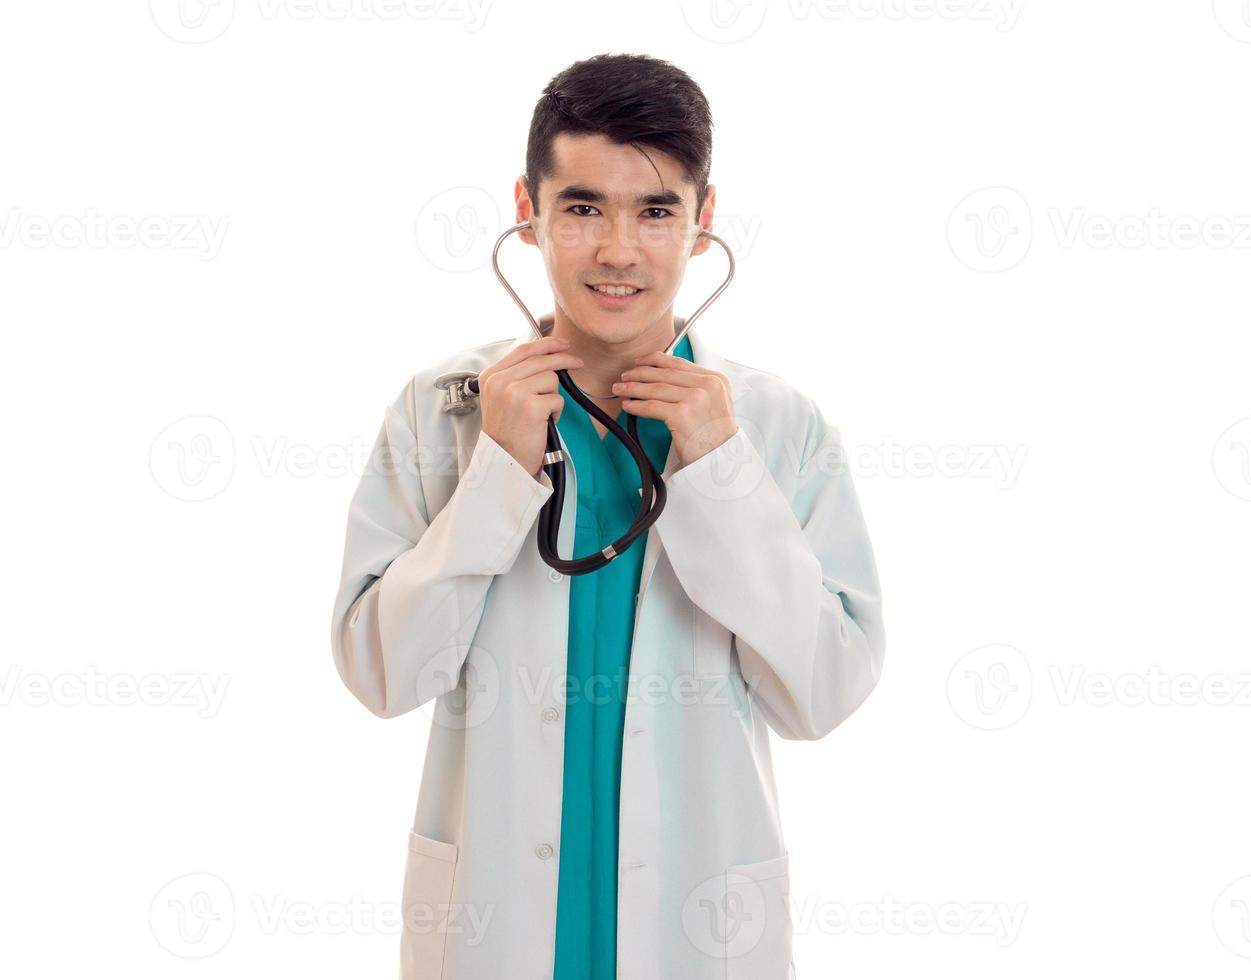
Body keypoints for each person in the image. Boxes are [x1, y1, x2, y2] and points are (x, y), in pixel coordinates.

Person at [330, 52, 885, 980]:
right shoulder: (443, 411)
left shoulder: (777, 426)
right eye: (583, 207)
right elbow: (383, 676)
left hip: (699, 932)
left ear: (704, 222)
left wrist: (722, 470)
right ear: (527, 209)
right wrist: (496, 473)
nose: (618, 250)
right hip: (492, 930)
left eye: (656, 211)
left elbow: (823, 694)